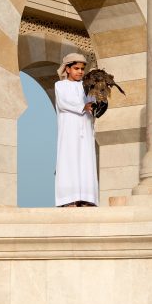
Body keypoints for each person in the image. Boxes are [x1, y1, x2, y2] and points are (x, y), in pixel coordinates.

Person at [54, 52, 98, 207]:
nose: (80, 71)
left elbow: (93, 105)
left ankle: (87, 198)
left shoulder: (87, 86)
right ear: (67, 69)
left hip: (85, 129)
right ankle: (68, 199)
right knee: (69, 160)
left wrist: (98, 102)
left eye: (82, 69)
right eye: (76, 68)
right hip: (69, 131)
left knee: (86, 160)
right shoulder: (60, 85)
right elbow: (63, 103)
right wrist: (82, 107)